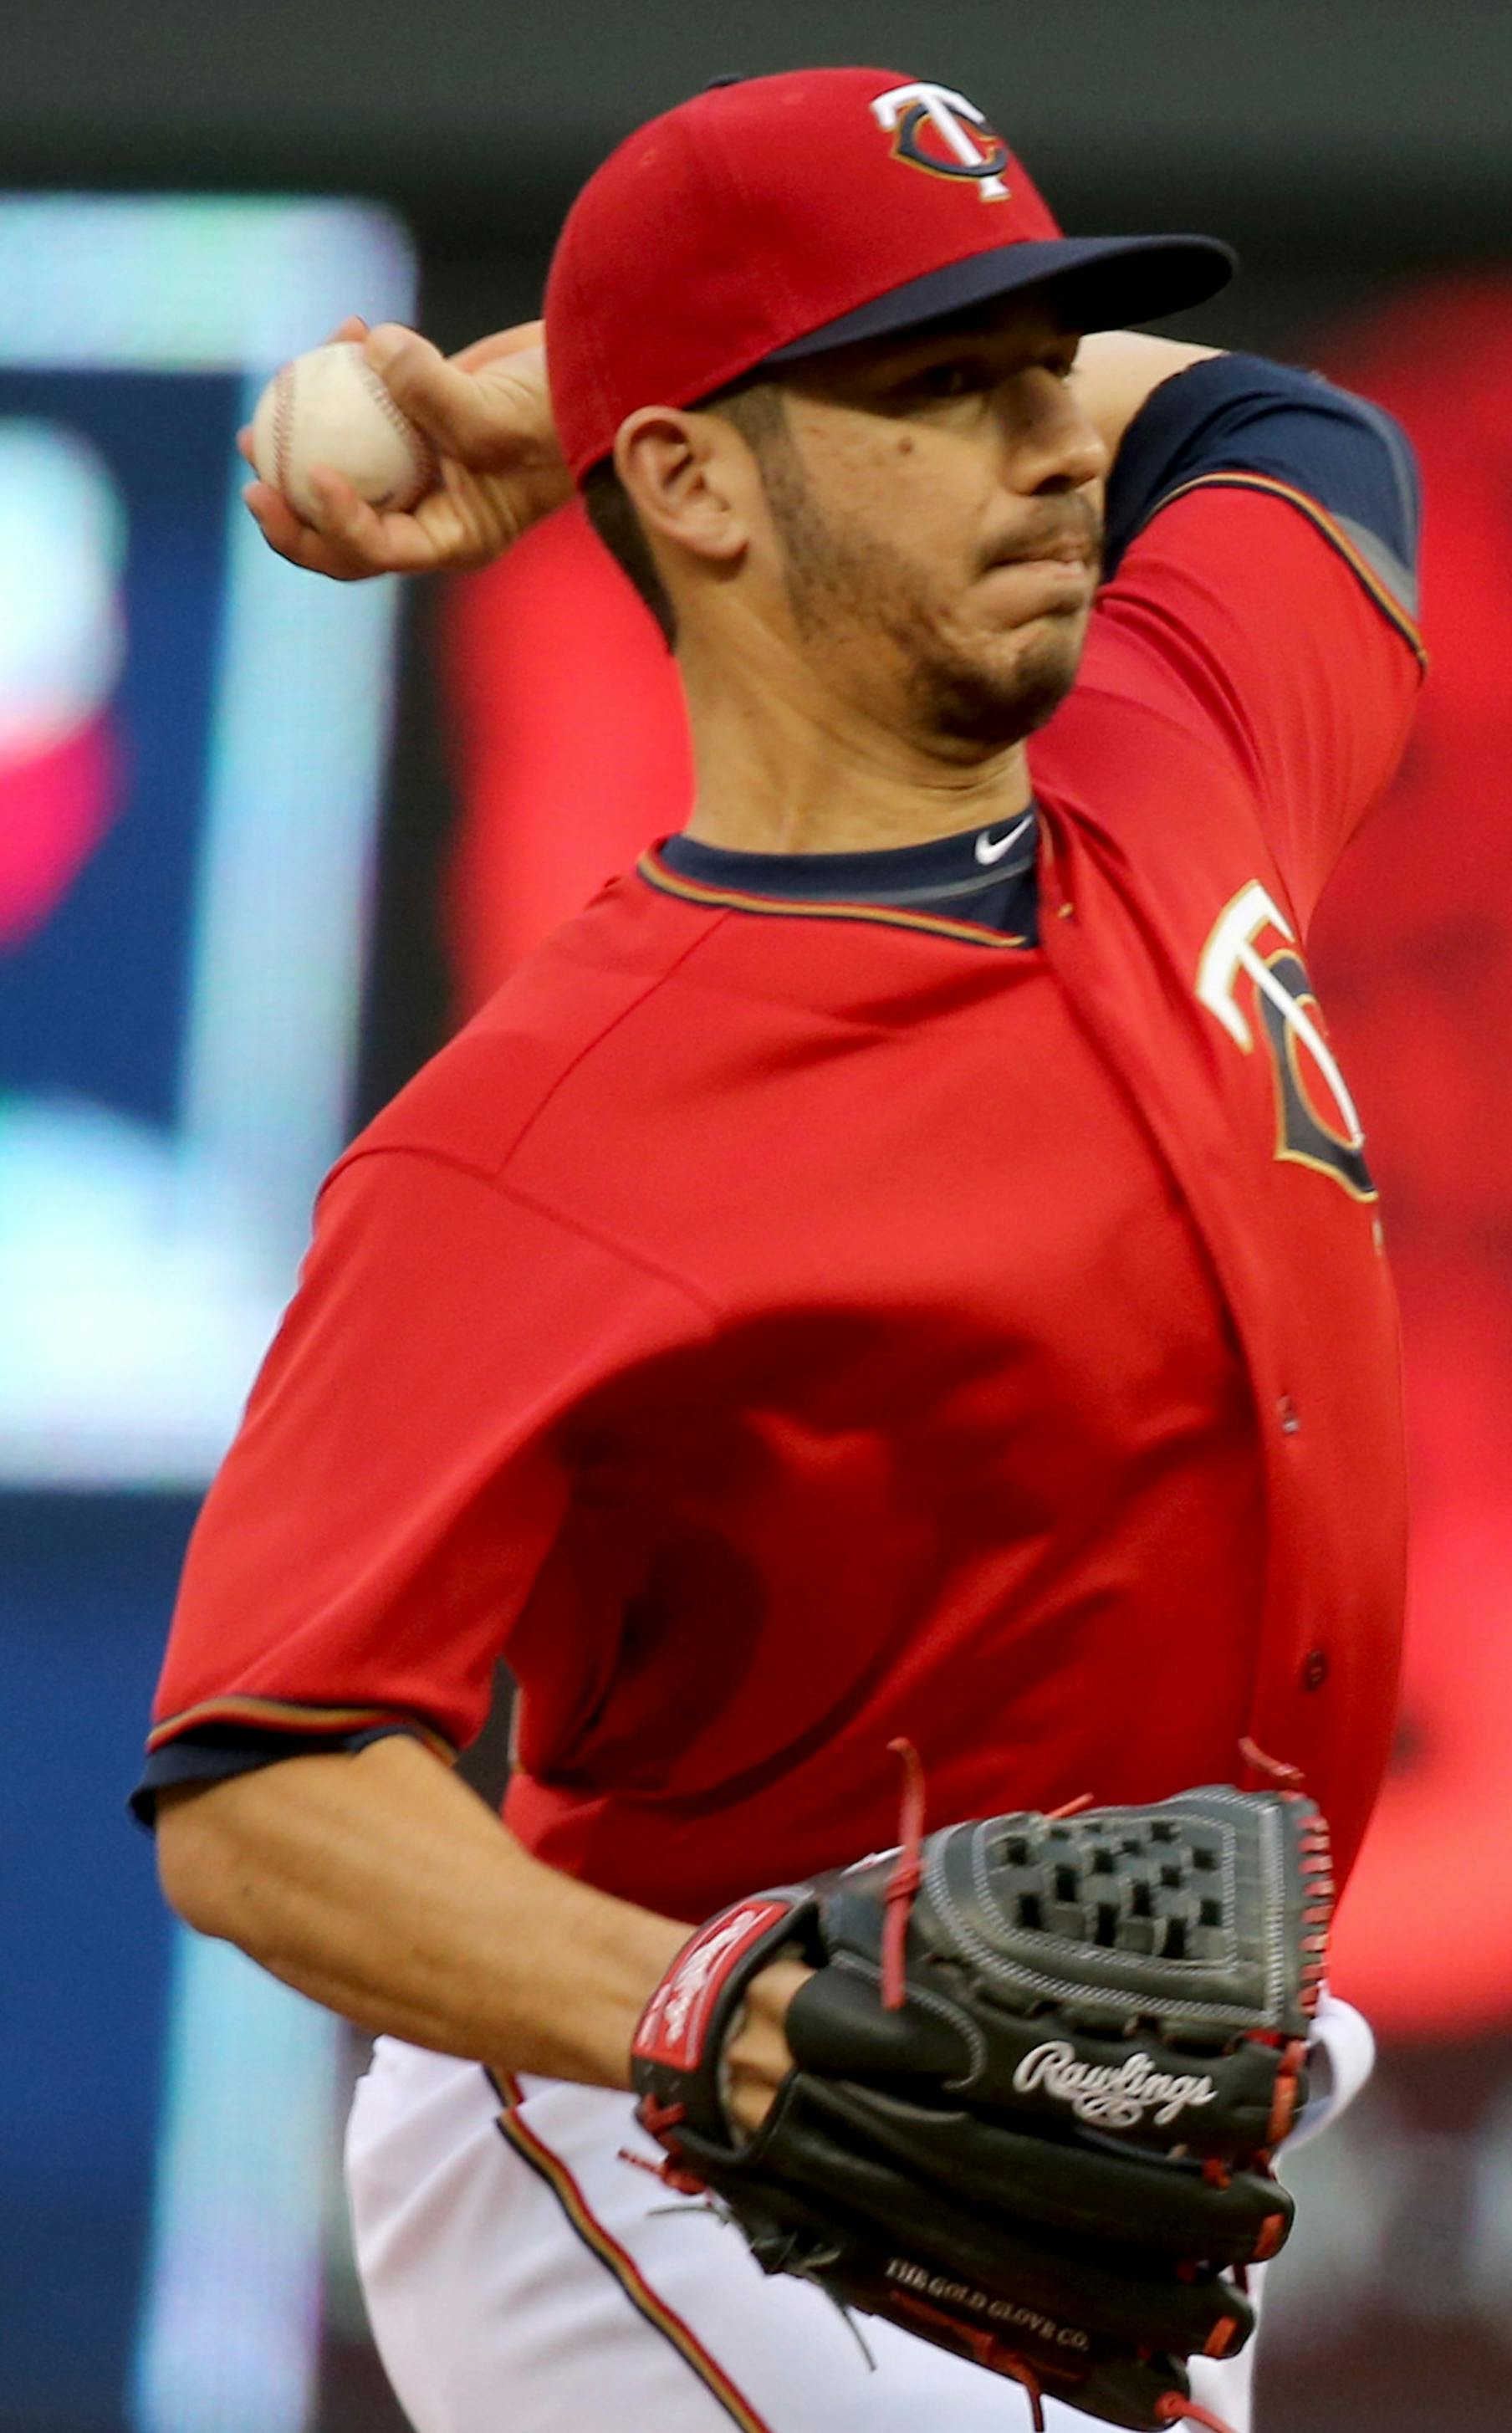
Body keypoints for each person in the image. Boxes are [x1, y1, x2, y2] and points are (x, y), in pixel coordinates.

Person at [138, 65, 1423, 2433]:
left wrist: (545, 388)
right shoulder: (540, 1133)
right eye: (940, 387)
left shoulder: (1189, 749)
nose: (1052, 444)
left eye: (1048, 367)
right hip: (672, 2166)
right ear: (702, 487)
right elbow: (258, 1784)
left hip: (1093, 2165)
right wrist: (701, 2018)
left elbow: (1281, 424)